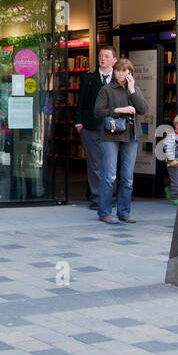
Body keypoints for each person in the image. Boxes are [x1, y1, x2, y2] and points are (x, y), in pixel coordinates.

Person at [93, 58, 145, 225]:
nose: (121, 74)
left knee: (128, 177)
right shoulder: (106, 89)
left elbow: (143, 109)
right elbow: (98, 112)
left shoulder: (134, 89)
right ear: (114, 72)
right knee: (109, 175)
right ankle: (105, 212)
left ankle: (124, 212)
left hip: (131, 135)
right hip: (111, 135)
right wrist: (118, 110)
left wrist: (132, 90)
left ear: (130, 73)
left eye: (125, 71)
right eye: (118, 71)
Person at [76, 45, 117, 211]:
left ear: (114, 60)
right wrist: (78, 123)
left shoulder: (119, 78)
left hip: (112, 127)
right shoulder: (89, 78)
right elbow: (81, 101)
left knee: (111, 164)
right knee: (94, 164)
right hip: (90, 126)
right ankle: (96, 197)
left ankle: (111, 197)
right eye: (101, 56)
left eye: (107, 56)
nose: (103, 59)